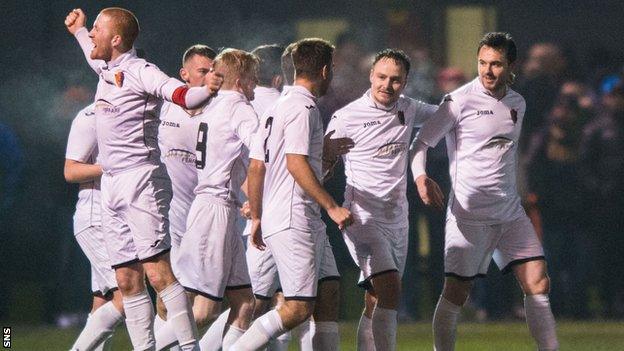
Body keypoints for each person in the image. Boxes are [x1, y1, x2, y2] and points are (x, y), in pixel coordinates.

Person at [65, 7, 222, 350]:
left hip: (141, 181)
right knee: (125, 278)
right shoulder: (107, 68)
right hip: (111, 186)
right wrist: (78, 30)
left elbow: (179, 94)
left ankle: (190, 347)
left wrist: (206, 89)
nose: (92, 34)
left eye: (96, 29)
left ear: (116, 39)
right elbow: (89, 52)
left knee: (157, 271)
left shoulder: (141, 71)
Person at [410, 32, 559, 351]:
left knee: (537, 283)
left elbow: (508, 156)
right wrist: (421, 178)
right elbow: (420, 144)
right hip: (469, 215)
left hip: (509, 213)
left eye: (495, 64)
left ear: (511, 66)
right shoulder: (458, 101)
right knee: (456, 294)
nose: (487, 71)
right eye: (482, 63)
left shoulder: (518, 103)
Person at [231, 38, 352, 351]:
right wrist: (332, 206)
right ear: (324, 70)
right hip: (294, 216)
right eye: (332, 69)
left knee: (328, 293)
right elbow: (295, 163)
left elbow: (257, 167)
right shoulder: (304, 107)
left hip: (286, 216)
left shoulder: (276, 108)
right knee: (297, 307)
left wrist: (256, 215)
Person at [324, 48, 437, 350]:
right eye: (382, 77)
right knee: (390, 291)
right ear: (371, 76)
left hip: (397, 218)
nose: (387, 85)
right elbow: (319, 165)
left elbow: (448, 115)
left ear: (406, 82)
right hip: (361, 217)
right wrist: (327, 157)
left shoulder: (409, 108)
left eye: (395, 80)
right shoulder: (346, 117)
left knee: (376, 299)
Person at [160, 48, 259, 351]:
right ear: (241, 80)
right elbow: (260, 154)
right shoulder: (238, 107)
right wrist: (259, 208)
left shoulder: (212, 106)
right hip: (214, 209)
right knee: (199, 308)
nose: (256, 85)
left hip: (221, 208)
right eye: (254, 78)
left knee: (244, 303)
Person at [153, 44, 217, 351]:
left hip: (204, 214)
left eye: (212, 72)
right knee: (166, 291)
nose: (208, 78)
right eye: (202, 72)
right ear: (185, 75)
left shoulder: (220, 111)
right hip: (166, 211)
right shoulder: (165, 104)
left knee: (208, 306)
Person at [65, 104, 125, 351]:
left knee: (103, 300)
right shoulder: (90, 117)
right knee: (128, 294)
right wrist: (116, 169)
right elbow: (71, 171)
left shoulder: (134, 111)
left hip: (120, 220)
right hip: (96, 218)